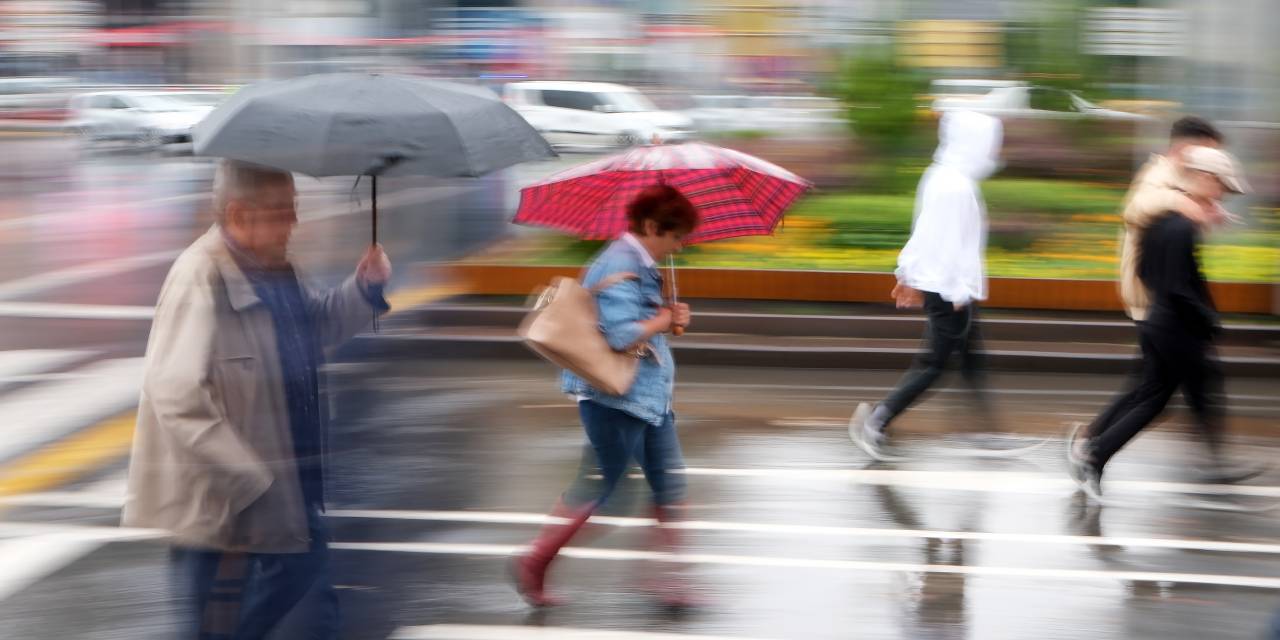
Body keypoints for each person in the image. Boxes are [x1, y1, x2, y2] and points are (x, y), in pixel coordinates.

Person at [121, 159, 392, 639]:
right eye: (281, 211)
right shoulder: (200, 277)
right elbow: (176, 393)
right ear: (238, 216)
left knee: (308, 598)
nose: (293, 222)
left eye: (294, 208)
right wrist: (251, 480)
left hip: (286, 476)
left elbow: (318, 325)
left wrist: (365, 287)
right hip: (226, 497)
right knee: (215, 618)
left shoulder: (275, 268)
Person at [511, 184, 698, 608]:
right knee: (606, 491)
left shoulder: (640, 263)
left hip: (648, 398)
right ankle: (534, 561)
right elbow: (619, 335)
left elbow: (641, 322)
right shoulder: (620, 263)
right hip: (616, 400)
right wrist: (663, 321)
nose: (681, 246)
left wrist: (671, 316)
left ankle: (669, 580)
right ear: (651, 226)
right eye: (676, 236)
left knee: (669, 485)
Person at [1068, 146, 1249, 500]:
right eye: (1222, 186)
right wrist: (1208, 318)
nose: (1222, 195)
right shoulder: (1182, 227)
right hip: (1177, 328)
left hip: (1158, 321)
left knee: (1154, 396)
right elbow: (1183, 285)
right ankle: (1093, 454)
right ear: (1205, 179)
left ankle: (1095, 455)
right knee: (1157, 400)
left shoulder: (1164, 221)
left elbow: (1146, 270)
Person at [849, 110, 1004, 460]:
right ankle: (878, 419)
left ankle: (983, 431)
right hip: (950, 290)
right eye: (989, 145)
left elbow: (925, 232)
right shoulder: (955, 186)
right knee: (934, 365)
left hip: (951, 286)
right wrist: (956, 294)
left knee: (971, 360)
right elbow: (945, 243)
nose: (993, 154)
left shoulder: (944, 177)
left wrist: (907, 273)